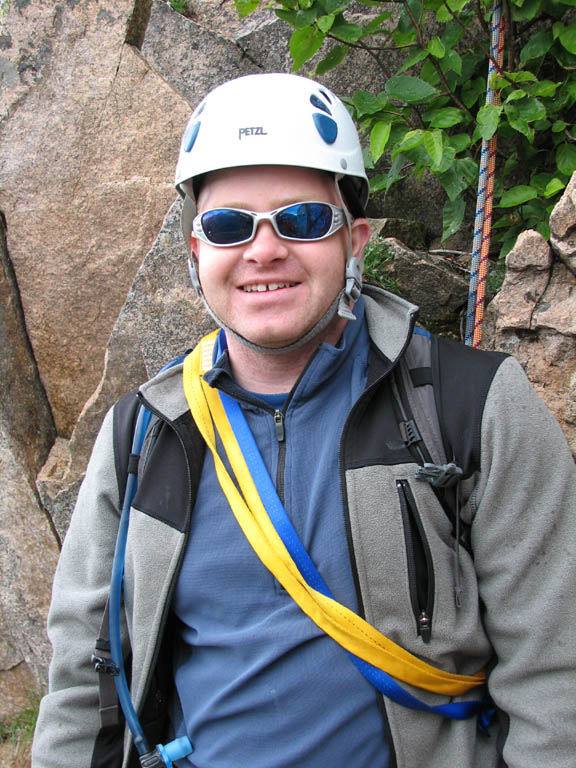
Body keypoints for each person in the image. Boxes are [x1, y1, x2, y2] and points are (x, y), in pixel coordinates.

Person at [32, 73, 576, 768]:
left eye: (302, 220)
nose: (264, 250)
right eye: (229, 225)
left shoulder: (470, 407)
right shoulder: (145, 434)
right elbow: (85, 678)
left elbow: (557, 676)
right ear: (198, 253)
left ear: (356, 240)